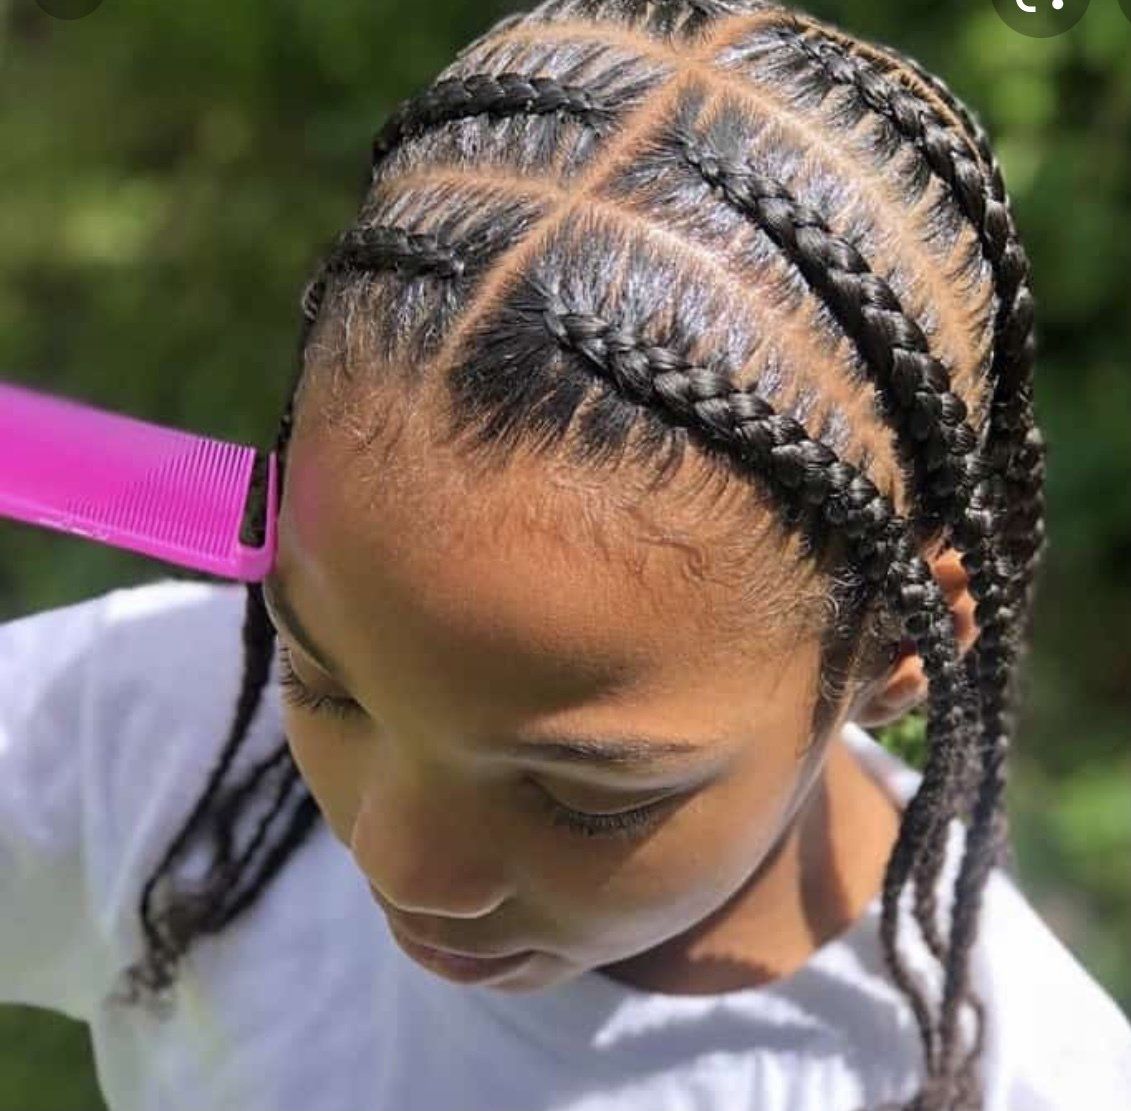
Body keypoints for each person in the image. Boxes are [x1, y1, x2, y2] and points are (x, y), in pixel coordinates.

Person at [2, 1, 1130, 1108]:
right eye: (325, 684)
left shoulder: (1018, 1079)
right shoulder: (142, 742)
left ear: (894, 642)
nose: (399, 864)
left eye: (583, 796)